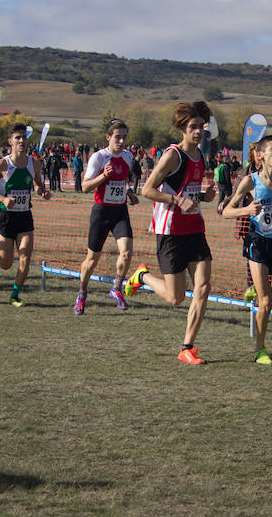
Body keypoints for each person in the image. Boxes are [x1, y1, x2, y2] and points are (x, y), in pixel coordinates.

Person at [125, 101, 216, 365]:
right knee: (176, 298)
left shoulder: (200, 156)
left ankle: (187, 347)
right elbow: (148, 190)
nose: (198, 132)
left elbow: (188, 192)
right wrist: (177, 201)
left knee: (203, 287)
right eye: (193, 127)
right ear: (183, 128)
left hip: (195, 229)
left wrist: (202, 196)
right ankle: (142, 276)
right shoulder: (173, 155)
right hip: (170, 232)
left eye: (201, 126)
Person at [222, 135, 272, 364]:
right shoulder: (250, 182)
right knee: (265, 303)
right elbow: (226, 211)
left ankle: (259, 290)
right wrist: (246, 210)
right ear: (261, 155)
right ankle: (260, 349)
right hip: (259, 242)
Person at [75, 119, 140, 315]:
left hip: (120, 212)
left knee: (127, 253)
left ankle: (116, 288)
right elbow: (85, 187)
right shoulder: (99, 157)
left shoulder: (128, 156)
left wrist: (129, 192)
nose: (121, 141)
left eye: (125, 137)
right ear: (108, 137)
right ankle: (82, 293)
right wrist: (103, 176)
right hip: (101, 212)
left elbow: (123, 181)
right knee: (92, 259)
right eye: (118, 137)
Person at [0, 123, 50, 306]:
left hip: (25, 216)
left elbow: (37, 184)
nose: (21, 141)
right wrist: (2, 199)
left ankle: (14, 295)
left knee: (25, 258)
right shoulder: (2, 164)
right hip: (6, 217)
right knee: (5, 264)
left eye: (24, 138)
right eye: (17, 138)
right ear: (10, 141)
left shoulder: (34, 163)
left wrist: (42, 191)